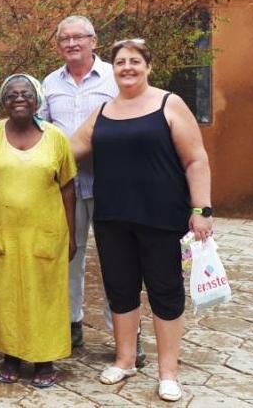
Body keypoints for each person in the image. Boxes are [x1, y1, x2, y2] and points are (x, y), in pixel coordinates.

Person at [71, 39, 212, 402]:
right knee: (120, 290)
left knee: (166, 294)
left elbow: (196, 159)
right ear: (112, 69)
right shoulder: (103, 111)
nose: (127, 67)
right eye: (120, 62)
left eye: (135, 61)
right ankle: (125, 359)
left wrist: (202, 210)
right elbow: (67, 150)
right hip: (112, 217)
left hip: (162, 218)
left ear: (148, 66)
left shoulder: (169, 104)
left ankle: (168, 373)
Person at [0, 74, 76, 389]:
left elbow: (68, 187)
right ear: (4, 102)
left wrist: (72, 234)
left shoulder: (56, 137)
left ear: (37, 100)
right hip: (1, 234)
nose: (18, 98)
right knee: (6, 294)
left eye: (25, 93)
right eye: (11, 94)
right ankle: (11, 356)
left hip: (46, 234)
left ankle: (44, 359)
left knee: (45, 295)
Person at [39, 15, 139, 356]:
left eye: (78, 37)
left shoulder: (117, 76)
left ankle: (126, 336)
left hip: (111, 182)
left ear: (93, 41)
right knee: (69, 256)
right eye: (64, 39)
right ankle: (71, 324)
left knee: (118, 259)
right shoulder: (49, 83)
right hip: (65, 186)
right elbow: (41, 127)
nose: (71, 44)